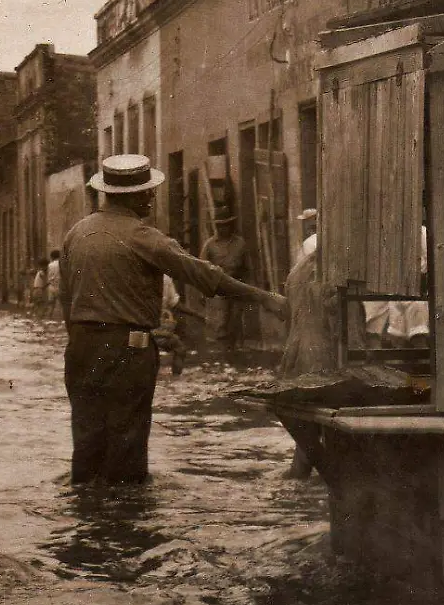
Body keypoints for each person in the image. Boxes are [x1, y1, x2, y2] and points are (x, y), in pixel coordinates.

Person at [63, 155, 284, 486]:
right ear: (133, 196)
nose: (151, 198)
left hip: (80, 351)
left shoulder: (76, 234)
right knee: (127, 455)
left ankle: (85, 525)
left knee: (87, 449)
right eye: (147, 192)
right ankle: (127, 530)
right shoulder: (145, 237)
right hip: (128, 353)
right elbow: (206, 276)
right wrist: (266, 298)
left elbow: (66, 301)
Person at [275, 243, 334, 479]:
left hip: (295, 357)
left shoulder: (298, 270)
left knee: (307, 427)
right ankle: (328, 476)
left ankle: (301, 477)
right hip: (320, 358)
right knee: (320, 426)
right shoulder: (328, 272)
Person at [201, 210, 250, 348]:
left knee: (235, 320)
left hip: (237, 285)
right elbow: (201, 269)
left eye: (226, 225)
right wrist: (203, 291)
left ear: (231, 225)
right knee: (220, 322)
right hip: (218, 287)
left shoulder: (240, 243)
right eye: (220, 226)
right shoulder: (210, 244)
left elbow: (247, 267)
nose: (223, 228)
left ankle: (234, 352)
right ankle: (219, 354)